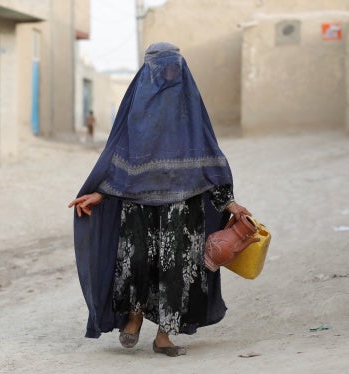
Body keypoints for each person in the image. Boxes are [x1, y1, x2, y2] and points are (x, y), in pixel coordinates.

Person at [68, 42, 251, 357]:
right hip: (138, 206)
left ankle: (165, 336)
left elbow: (207, 159)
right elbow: (119, 155)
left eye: (174, 67)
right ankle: (135, 316)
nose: (168, 73)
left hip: (184, 206)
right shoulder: (136, 109)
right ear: (147, 69)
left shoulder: (189, 110)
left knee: (177, 268)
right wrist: (102, 192)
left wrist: (229, 203)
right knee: (137, 262)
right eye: (161, 66)